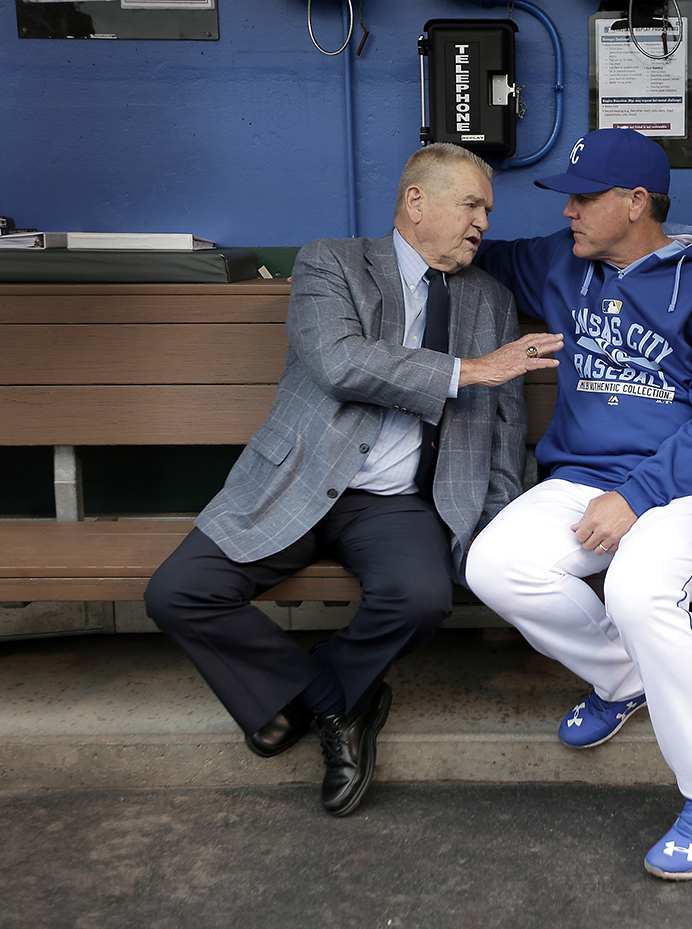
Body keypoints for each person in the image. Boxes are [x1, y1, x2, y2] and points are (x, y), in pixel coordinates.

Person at [145, 143, 563, 817]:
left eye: (488, 209)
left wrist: (495, 527)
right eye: (472, 204)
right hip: (301, 481)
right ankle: (341, 704)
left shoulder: (490, 298)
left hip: (399, 505)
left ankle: (298, 698)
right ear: (416, 202)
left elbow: (504, 428)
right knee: (176, 592)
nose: (484, 221)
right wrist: (467, 371)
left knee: (423, 597)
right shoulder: (330, 263)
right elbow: (340, 363)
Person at [467, 128, 692, 879]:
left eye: (584, 197)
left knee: (641, 591)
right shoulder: (561, 261)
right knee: (493, 565)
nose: (568, 211)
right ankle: (624, 676)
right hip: (586, 478)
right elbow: (472, 250)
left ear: (636, 203)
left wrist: (637, 496)